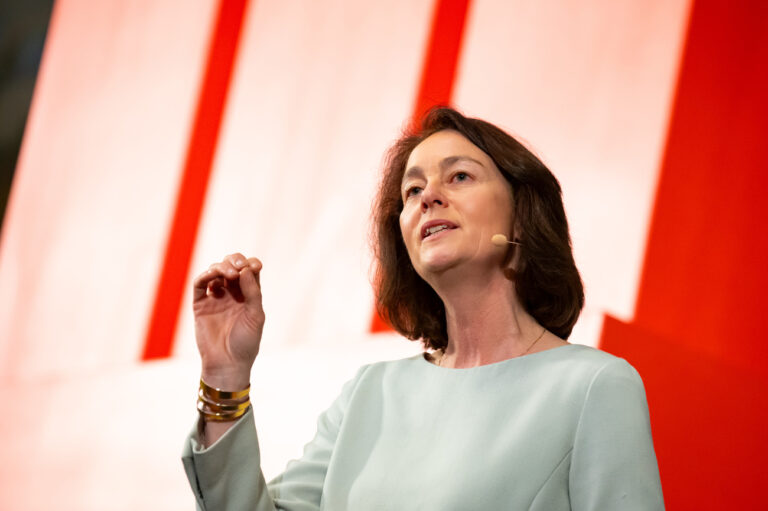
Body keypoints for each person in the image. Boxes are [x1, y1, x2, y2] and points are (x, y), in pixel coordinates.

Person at [182, 107, 665, 510]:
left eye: (459, 176)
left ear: (522, 213)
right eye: (412, 191)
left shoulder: (594, 387)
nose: (429, 196)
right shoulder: (368, 394)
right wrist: (226, 378)